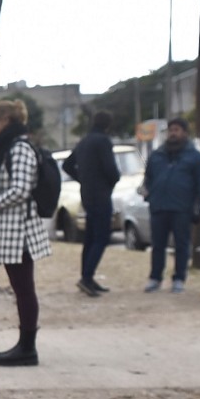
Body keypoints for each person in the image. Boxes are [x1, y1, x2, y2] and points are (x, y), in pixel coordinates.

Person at [0, 98, 51, 367]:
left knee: (24, 289)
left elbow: (21, 189)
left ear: (6, 120)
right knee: (21, 288)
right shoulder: (8, 147)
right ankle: (25, 344)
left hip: (19, 228)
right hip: (10, 228)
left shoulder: (19, 148)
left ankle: (27, 347)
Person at [141, 118, 200, 294]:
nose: (173, 133)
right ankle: (155, 277)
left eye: (177, 130)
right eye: (171, 130)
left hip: (181, 208)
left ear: (184, 132)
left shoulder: (195, 157)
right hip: (159, 206)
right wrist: (150, 196)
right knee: (158, 245)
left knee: (182, 245)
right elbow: (148, 179)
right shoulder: (157, 155)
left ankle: (179, 278)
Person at [63, 110, 120, 297]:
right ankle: (87, 277)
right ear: (108, 125)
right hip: (101, 194)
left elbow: (67, 165)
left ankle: (86, 276)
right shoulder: (103, 141)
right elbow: (111, 169)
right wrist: (110, 181)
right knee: (101, 237)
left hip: (87, 194)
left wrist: (83, 179)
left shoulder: (84, 141)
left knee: (90, 237)